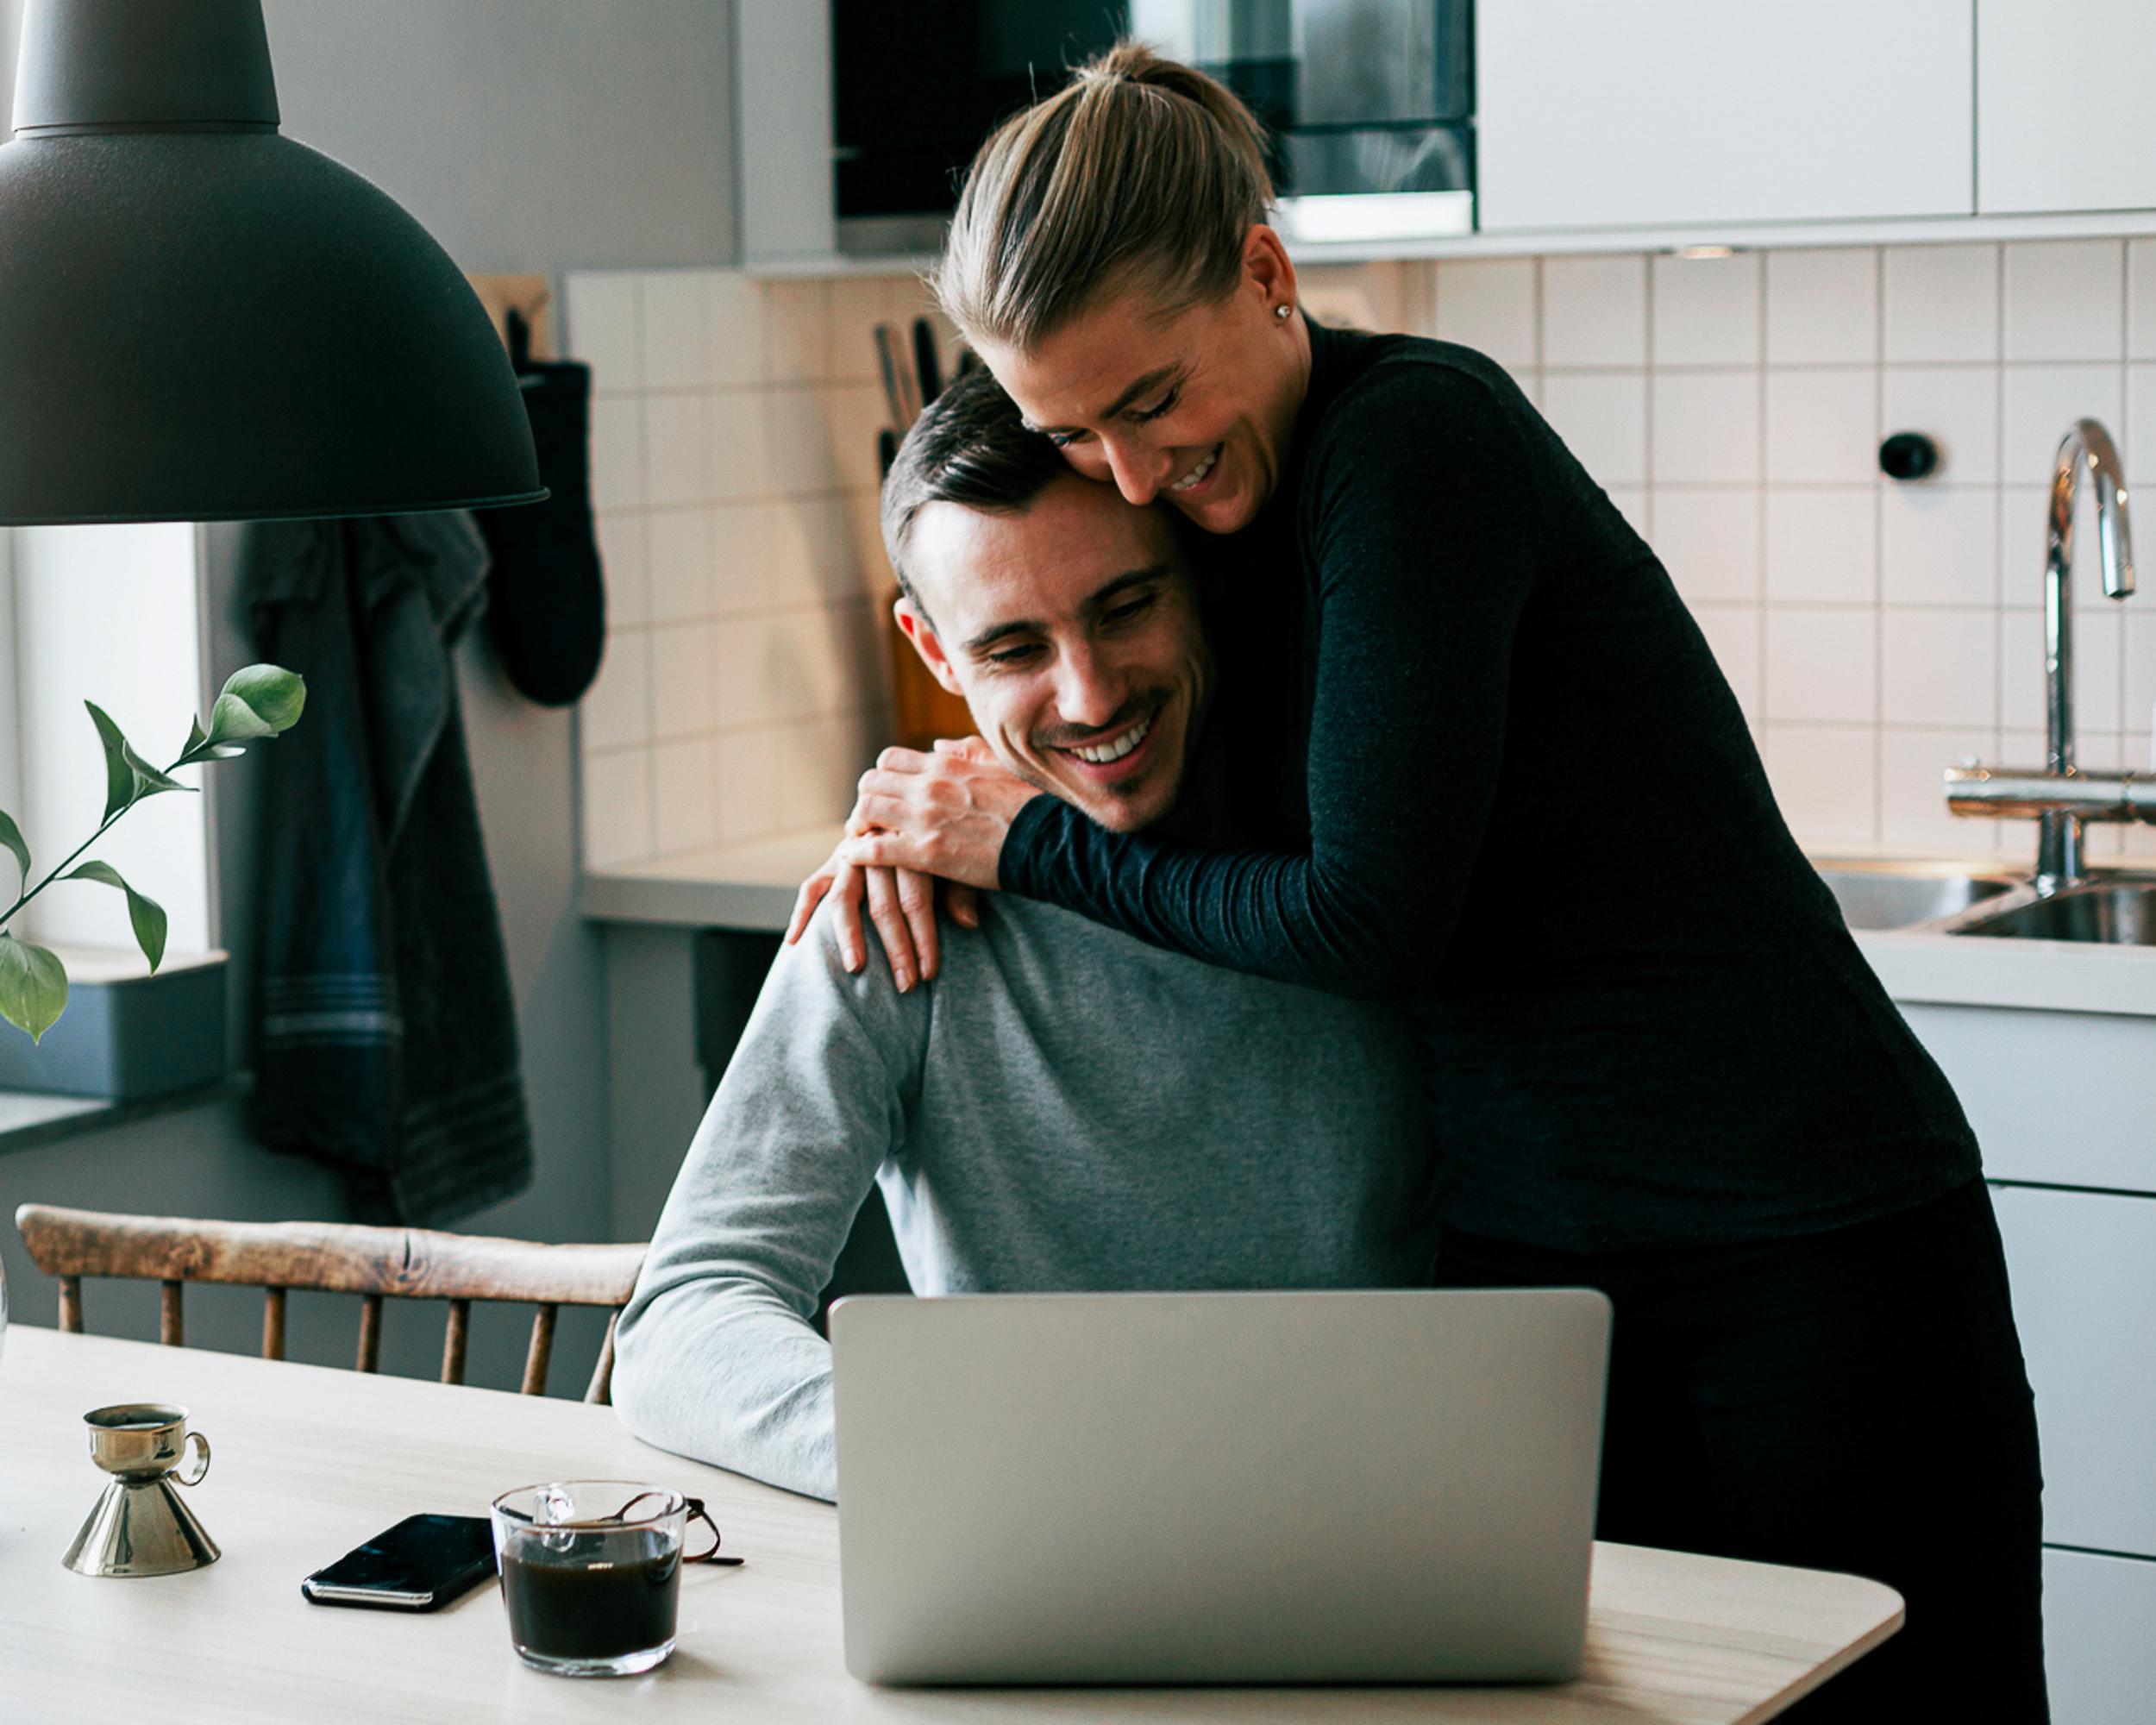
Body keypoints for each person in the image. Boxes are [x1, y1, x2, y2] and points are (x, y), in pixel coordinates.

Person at [788, 44, 2046, 1722]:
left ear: (1264, 270)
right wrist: (921, 797)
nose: (1131, 475)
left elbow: (1365, 916)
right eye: (1068, 431)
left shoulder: (1413, 445)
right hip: (1528, 1270)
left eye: (1148, 400)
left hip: (1793, 1237)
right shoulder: (1212, 499)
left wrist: (1015, 838)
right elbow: (1141, 758)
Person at [610, 372, 1437, 1502]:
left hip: (1383, 1535)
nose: (1090, 697)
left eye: (1125, 607)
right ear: (934, 651)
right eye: (1012, 650)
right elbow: (685, 1319)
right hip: (1028, 1558)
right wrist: (958, 1470)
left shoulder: (1383, 877)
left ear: (1204, 581)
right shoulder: (895, 905)